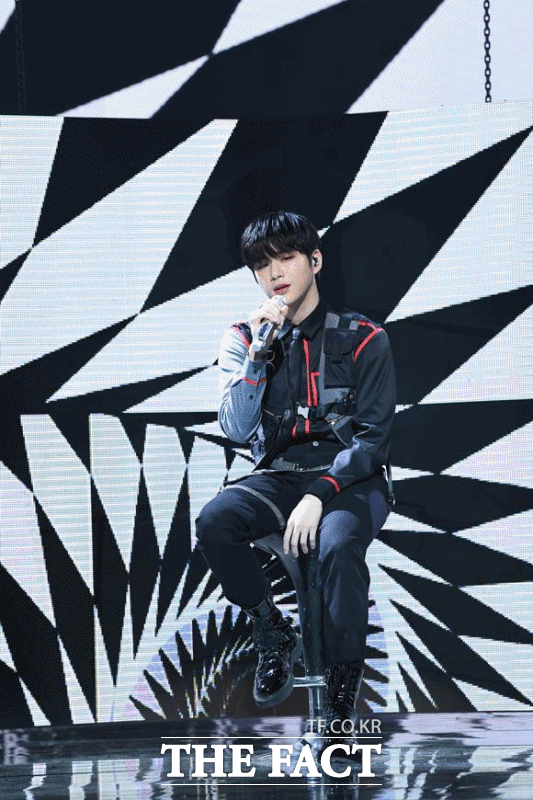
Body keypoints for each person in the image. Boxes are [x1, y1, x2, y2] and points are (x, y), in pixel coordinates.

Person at [196, 211, 395, 747]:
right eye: (262, 266)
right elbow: (237, 429)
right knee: (215, 521)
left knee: (338, 547)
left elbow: (373, 441)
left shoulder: (364, 338)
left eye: (286, 258)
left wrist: (320, 494)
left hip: (352, 479)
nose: (275, 273)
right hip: (281, 476)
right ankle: (271, 628)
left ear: (315, 260)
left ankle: (339, 709)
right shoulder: (243, 337)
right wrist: (258, 355)